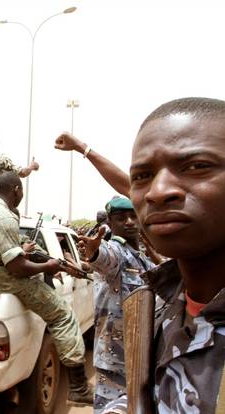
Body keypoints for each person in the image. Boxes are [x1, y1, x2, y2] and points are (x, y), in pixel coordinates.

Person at [56, 97, 225, 413]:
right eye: (143, 177)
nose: (158, 192)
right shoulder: (166, 305)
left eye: (197, 166)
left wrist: (85, 149)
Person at [0, 172, 93, 405]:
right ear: (16, 189)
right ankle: (78, 387)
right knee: (64, 316)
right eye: (21, 191)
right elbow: (16, 267)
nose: (21, 195)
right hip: (11, 283)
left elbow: (4, 255)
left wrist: (25, 252)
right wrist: (49, 265)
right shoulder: (4, 217)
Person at [78, 197, 155, 413]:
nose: (129, 221)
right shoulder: (116, 251)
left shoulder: (142, 258)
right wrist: (94, 253)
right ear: (110, 223)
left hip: (141, 355)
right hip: (116, 360)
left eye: (133, 216)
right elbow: (105, 258)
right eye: (121, 218)